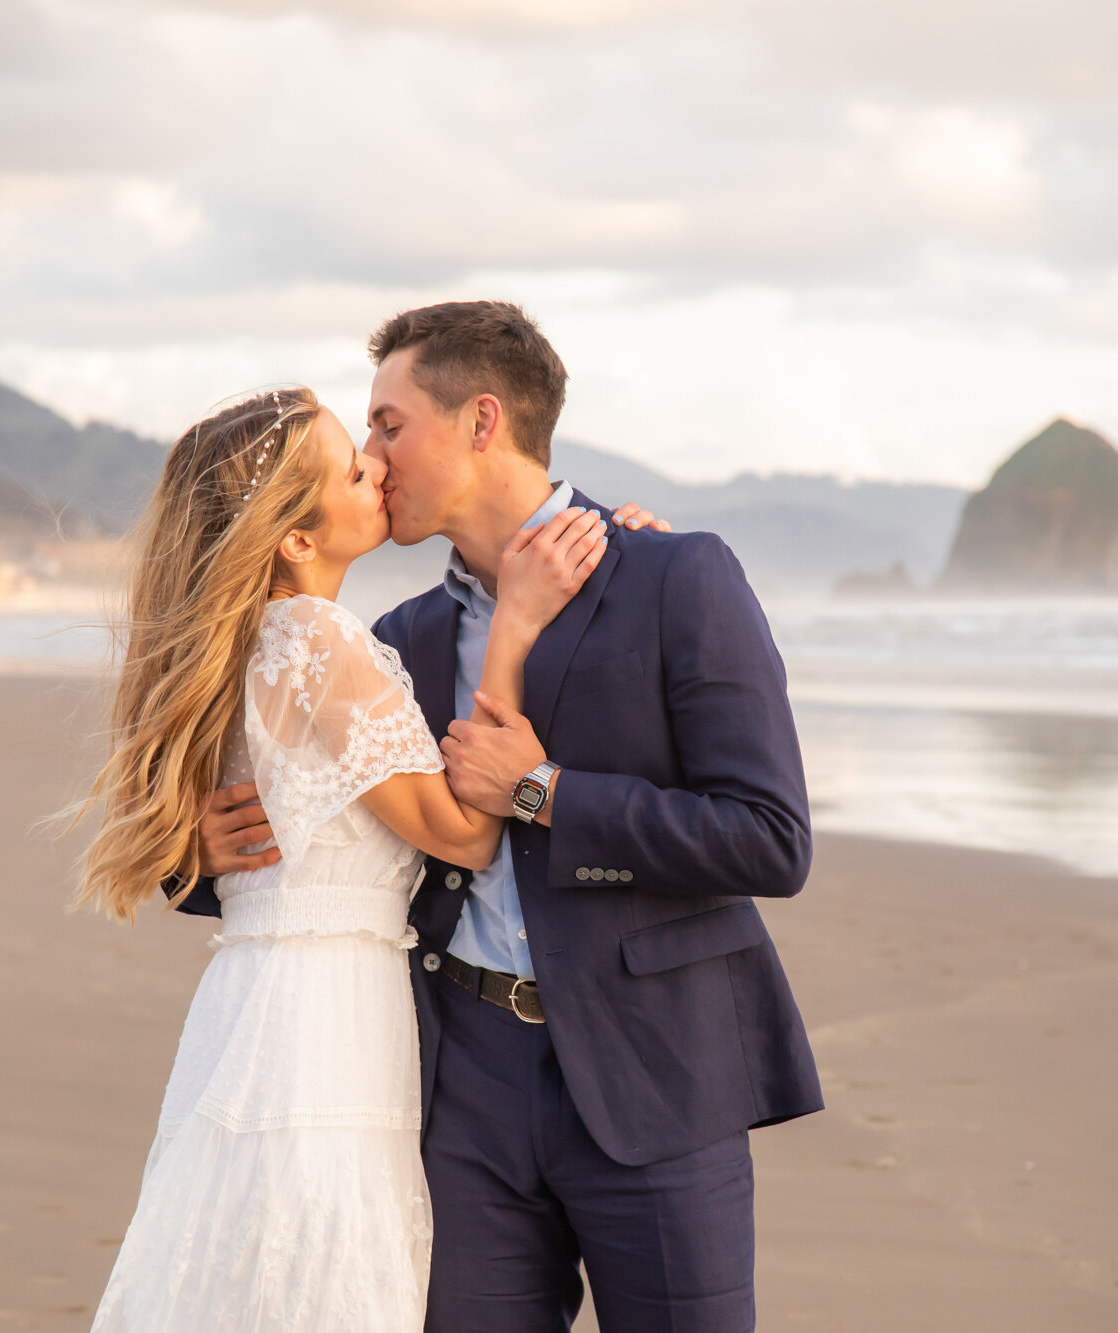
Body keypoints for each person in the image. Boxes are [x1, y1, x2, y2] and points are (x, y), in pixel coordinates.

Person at [176, 301, 823, 1332]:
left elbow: (767, 835)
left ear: (480, 421)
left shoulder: (672, 578)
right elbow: (314, 814)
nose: (373, 455)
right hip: (457, 1085)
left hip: (652, 1073)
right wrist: (200, 862)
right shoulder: (395, 641)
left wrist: (547, 793)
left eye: (386, 424)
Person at [69, 384, 611, 1330]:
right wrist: (514, 626)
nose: (377, 468)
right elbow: (466, 831)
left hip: (259, 1001)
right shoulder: (317, 640)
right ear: (295, 539)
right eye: (353, 469)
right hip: (321, 1024)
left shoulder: (252, 642)